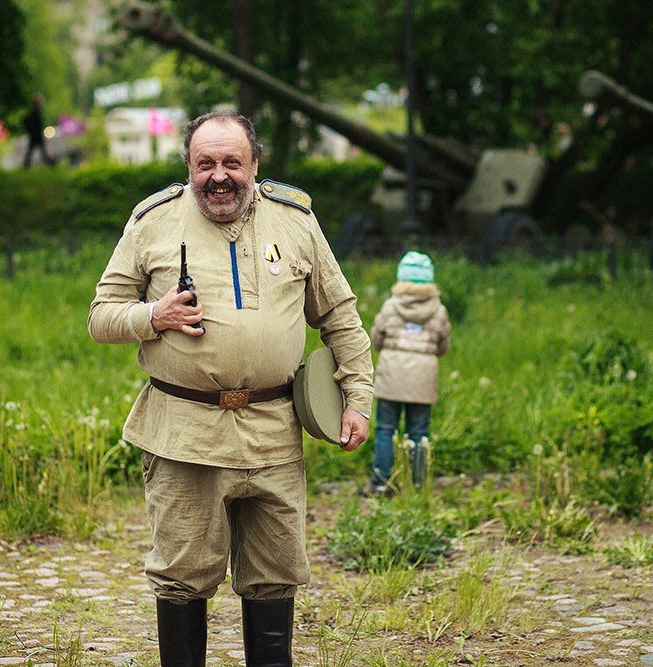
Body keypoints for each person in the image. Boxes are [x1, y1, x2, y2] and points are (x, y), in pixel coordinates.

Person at [87, 109, 373, 667]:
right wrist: (153, 315)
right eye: (205, 163)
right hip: (185, 434)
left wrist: (357, 397)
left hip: (274, 434)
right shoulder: (153, 222)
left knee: (274, 579)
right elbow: (101, 317)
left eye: (232, 162)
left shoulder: (295, 221)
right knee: (182, 580)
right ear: (189, 167)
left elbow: (340, 315)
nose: (220, 176)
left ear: (255, 163)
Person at [363, 251, 451, 496]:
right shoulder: (439, 310)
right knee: (418, 433)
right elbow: (443, 346)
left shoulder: (390, 306)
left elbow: (376, 339)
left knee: (385, 430)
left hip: (392, 376)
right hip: (423, 380)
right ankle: (418, 484)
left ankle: (381, 482)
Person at [22, 93, 55, 168]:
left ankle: (26, 165)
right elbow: (38, 123)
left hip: (34, 134)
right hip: (36, 134)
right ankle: (50, 163)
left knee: (33, 151)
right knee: (40, 150)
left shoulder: (34, 111)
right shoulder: (36, 112)